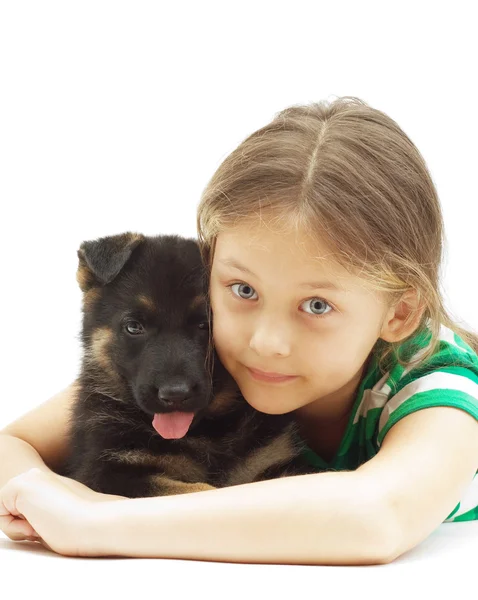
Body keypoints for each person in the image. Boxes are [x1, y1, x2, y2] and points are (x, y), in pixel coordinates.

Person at [1, 96, 477, 565]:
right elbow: (10, 446)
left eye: (316, 304)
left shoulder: (440, 384)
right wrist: (34, 492)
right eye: (243, 290)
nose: (265, 342)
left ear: (398, 315)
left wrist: (94, 521)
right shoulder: (220, 364)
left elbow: (377, 518)